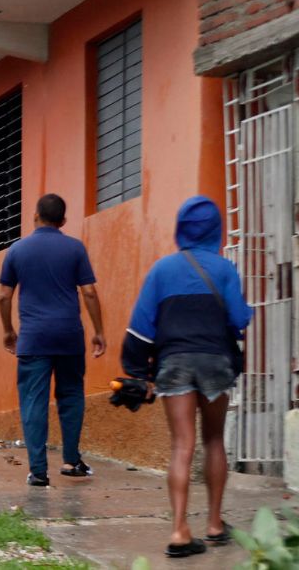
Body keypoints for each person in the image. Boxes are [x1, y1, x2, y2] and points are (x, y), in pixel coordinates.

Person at [120, 196, 252, 559]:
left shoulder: (161, 271)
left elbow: (140, 329)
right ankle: (213, 524)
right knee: (213, 440)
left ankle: (179, 530)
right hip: (215, 361)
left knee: (182, 445)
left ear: (181, 227)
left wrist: (136, 374)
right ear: (215, 229)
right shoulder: (224, 269)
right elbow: (239, 320)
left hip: (173, 360)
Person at [0, 193, 106, 487]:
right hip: (69, 335)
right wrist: (99, 331)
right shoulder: (75, 248)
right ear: (63, 221)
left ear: (35, 216)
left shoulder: (17, 250)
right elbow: (90, 292)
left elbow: (4, 296)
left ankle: (38, 471)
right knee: (71, 396)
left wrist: (8, 330)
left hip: (33, 338)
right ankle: (71, 461)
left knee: (34, 401)